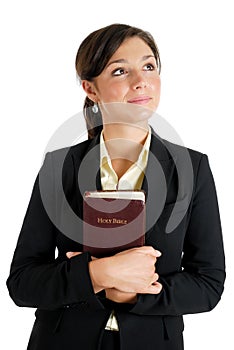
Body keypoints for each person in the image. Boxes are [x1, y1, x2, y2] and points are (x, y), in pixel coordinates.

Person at [6, 23, 225, 350]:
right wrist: (97, 275)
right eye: (120, 70)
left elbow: (208, 284)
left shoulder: (192, 168)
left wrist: (131, 292)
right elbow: (22, 283)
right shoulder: (59, 168)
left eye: (149, 66)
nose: (141, 81)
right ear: (90, 89)